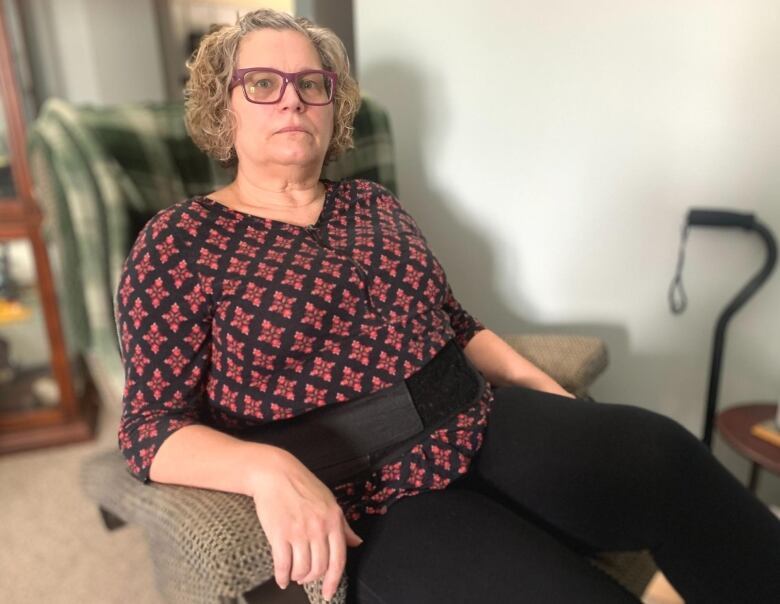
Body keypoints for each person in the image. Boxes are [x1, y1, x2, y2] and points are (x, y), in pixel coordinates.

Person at [116, 8, 780, 603]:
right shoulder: (179, 242)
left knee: (664, 457)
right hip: (369, 494)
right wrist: (267, 468)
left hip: (478, 415)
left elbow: (454, 322)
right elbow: (149, 428)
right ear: (221, 107)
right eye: (263, 84)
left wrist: (540, 387)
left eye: (312, 84)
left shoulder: (372, 204)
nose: (293, 101)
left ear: (331, 106)